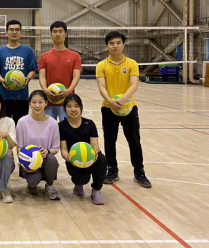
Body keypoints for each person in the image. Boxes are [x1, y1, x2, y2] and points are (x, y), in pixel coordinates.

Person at [96, 31, 152, 188]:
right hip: (108, 108)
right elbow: (101, 86)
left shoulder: (132, 64)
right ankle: (112, 170)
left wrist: (123, 99)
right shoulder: (101, 65)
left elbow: (134, 84)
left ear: (123, 45)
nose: (115, 46)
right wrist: (110, 101)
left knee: (134, 140)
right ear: (107, 46)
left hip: (129, 108)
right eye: (111, 43)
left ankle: (139, 172)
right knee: (109, 141)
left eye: (118, 43)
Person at [59, 95, 107, 205]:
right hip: (74, 160)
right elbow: (64, 149)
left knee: (102, 160)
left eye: (76, 106)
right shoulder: (61, 126)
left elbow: (95, 145)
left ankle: (96, 190)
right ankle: (78, 185)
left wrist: (94, 153)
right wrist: (68, 158)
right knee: (81, 179)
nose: (73, 109)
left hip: (90, 157)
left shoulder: (89, 124)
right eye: (69, 106)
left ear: (81, 107)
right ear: (65, 108)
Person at [16, 90, 61, 201]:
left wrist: (47, 151)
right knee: (33, 182)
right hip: (29, 162)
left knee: (51, 159)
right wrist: (24, 162)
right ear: (29, 104)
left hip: (45, 161)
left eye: (40, 102)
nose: (37, 105)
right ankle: (31, 185)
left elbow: (56, 148)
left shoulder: (53, 123)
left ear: (46, 103)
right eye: (34, 102)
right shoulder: (22, 122)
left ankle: (49, 185)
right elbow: (19, 147)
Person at [0, 20, 38, 125]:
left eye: (17, 30)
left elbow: (32, 70)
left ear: (21, 32)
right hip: (4, 96)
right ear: (6, 32)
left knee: (20, 127)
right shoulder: (0, 51)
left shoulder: (28, 50)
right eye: (11, 30)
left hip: (22, 96)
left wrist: (27, 79)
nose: (14, 32)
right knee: (4, 126)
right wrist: (2, 80)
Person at [39, 21, 82, 122]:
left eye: (60, 31)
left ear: (65, 34)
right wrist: (45, 90)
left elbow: (76, 77)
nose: (57, 34)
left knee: (67, 129)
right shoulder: (44, 56)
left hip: (68, 101)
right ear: (51, 35)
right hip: (49, 100)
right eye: (54, 31)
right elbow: (42, 76)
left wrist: (68, 91)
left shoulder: (75, 56)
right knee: (49, 129)